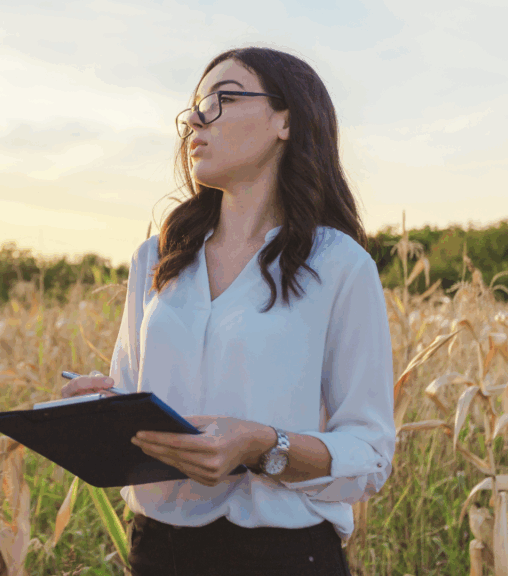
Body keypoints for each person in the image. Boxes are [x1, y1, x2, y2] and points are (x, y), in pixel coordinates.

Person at [61, 47, 394, 576]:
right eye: (194, 106)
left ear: (287, 120)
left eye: (223, 100)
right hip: (158, 551)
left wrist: (263, 444)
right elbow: (134, 394)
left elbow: (370, 456)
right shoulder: (156, 258)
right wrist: (102, 408)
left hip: (285, 556)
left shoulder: (340, 265)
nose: (195, 119)